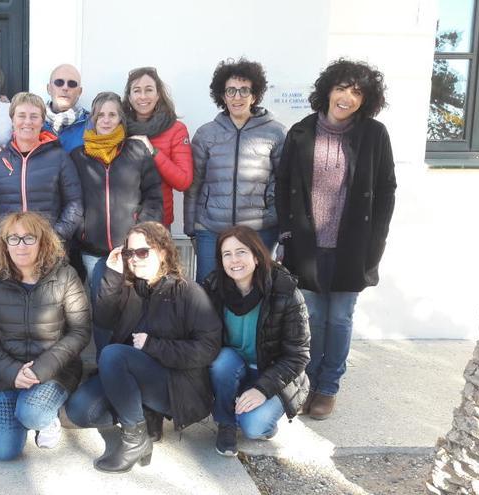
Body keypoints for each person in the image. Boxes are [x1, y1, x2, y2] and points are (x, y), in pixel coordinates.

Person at [275, 59, 396, 420]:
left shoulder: (375, 135)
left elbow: (387, 191)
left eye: (357, 92)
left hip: (352, 247)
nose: (347, 97)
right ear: (328, 89)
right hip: (307, 245)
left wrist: (376, 242)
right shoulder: (300, 132)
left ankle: (329, 387)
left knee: (340, 318)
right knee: (311, 315)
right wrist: (286, 234)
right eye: (342, 87)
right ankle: (308, 382)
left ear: (366, 100)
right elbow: (282, 186)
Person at [65, 221, 221, 473]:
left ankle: (134, 438)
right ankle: (144, 418)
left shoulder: (188, 292)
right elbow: (104, 319)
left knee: (113, 355)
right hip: (133, 376)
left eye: (142, 252)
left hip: (174, 384)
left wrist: (153, 345)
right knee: (79, 411)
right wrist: (113, 274)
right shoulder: (130, 287)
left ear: (162, 252)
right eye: (129, 253)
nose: (134, 259)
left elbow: (208, 348)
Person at [0, 211, 90, 461]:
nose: (21, 245)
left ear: (43, 241)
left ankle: (48, 417)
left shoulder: (65, 275)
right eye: (13, 239)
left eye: (29, 238)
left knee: (33, 414)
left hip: (55, 371)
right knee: (3, 451)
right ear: (4, 244)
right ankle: (27, 403)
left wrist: (40, 370)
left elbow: (80, 331)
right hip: (7, 375)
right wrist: (11, 371)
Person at [202, 225, 310, 457]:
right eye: (227, 254)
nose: (234, 260)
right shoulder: (213, 287)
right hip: (235, 369)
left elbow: (298, 355)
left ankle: (263, 422)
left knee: (252, 427)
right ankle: (226, 423)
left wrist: (262, 389)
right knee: (221, 360)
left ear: (257, 256)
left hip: (273, 373)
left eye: (241, 252)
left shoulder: (285, 291)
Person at [70, 91, 163, 353]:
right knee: (102, 307)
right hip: (95, 252)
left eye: (112, 114)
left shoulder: (137, 152)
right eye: (101, 115)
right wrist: (82, 230)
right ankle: (105, 363)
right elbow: (71, 199)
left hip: (134, 249)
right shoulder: (79, 156)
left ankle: (133, 360)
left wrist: (142, 234)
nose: (106, 120)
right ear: (93, 119)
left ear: (121, 118)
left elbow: (154, 196)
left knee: (135, 306)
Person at [185, 59, 287, 283]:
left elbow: (284, 184)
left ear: (255, 95)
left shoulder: (276, 133)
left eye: (244, 90)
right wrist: (191, 227)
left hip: (259, 230)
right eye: (231, 90)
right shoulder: (206, 134)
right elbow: (194, 183)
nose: (237, 97)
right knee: (209, 292)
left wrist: (283, 232)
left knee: (255, 291)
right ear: (222, 96)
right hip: (212, 229)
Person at [0, 92, 83, 242]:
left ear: (42, 122)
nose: (27, 121)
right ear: (12, 120)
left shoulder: (60, 158)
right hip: (9, 248)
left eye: (34, 116)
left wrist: (56, 238)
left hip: (49, 248)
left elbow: (74, 203)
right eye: (21, 115)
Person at [123, 67, 193, 229]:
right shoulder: (118, 127)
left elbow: (183, 181)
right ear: (129, 97)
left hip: (158, 222)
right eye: (136, 90)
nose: (142, 96)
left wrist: (152, 151)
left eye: (149, 90)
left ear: (158, 95)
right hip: (121, 222)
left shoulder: (176, 129)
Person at [43, 64, 89, 152]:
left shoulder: (92, 124)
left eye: (72, 84)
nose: (65, 87)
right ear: (49, 88)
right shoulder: (32, 122)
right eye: (59, 82)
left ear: (80, 92)